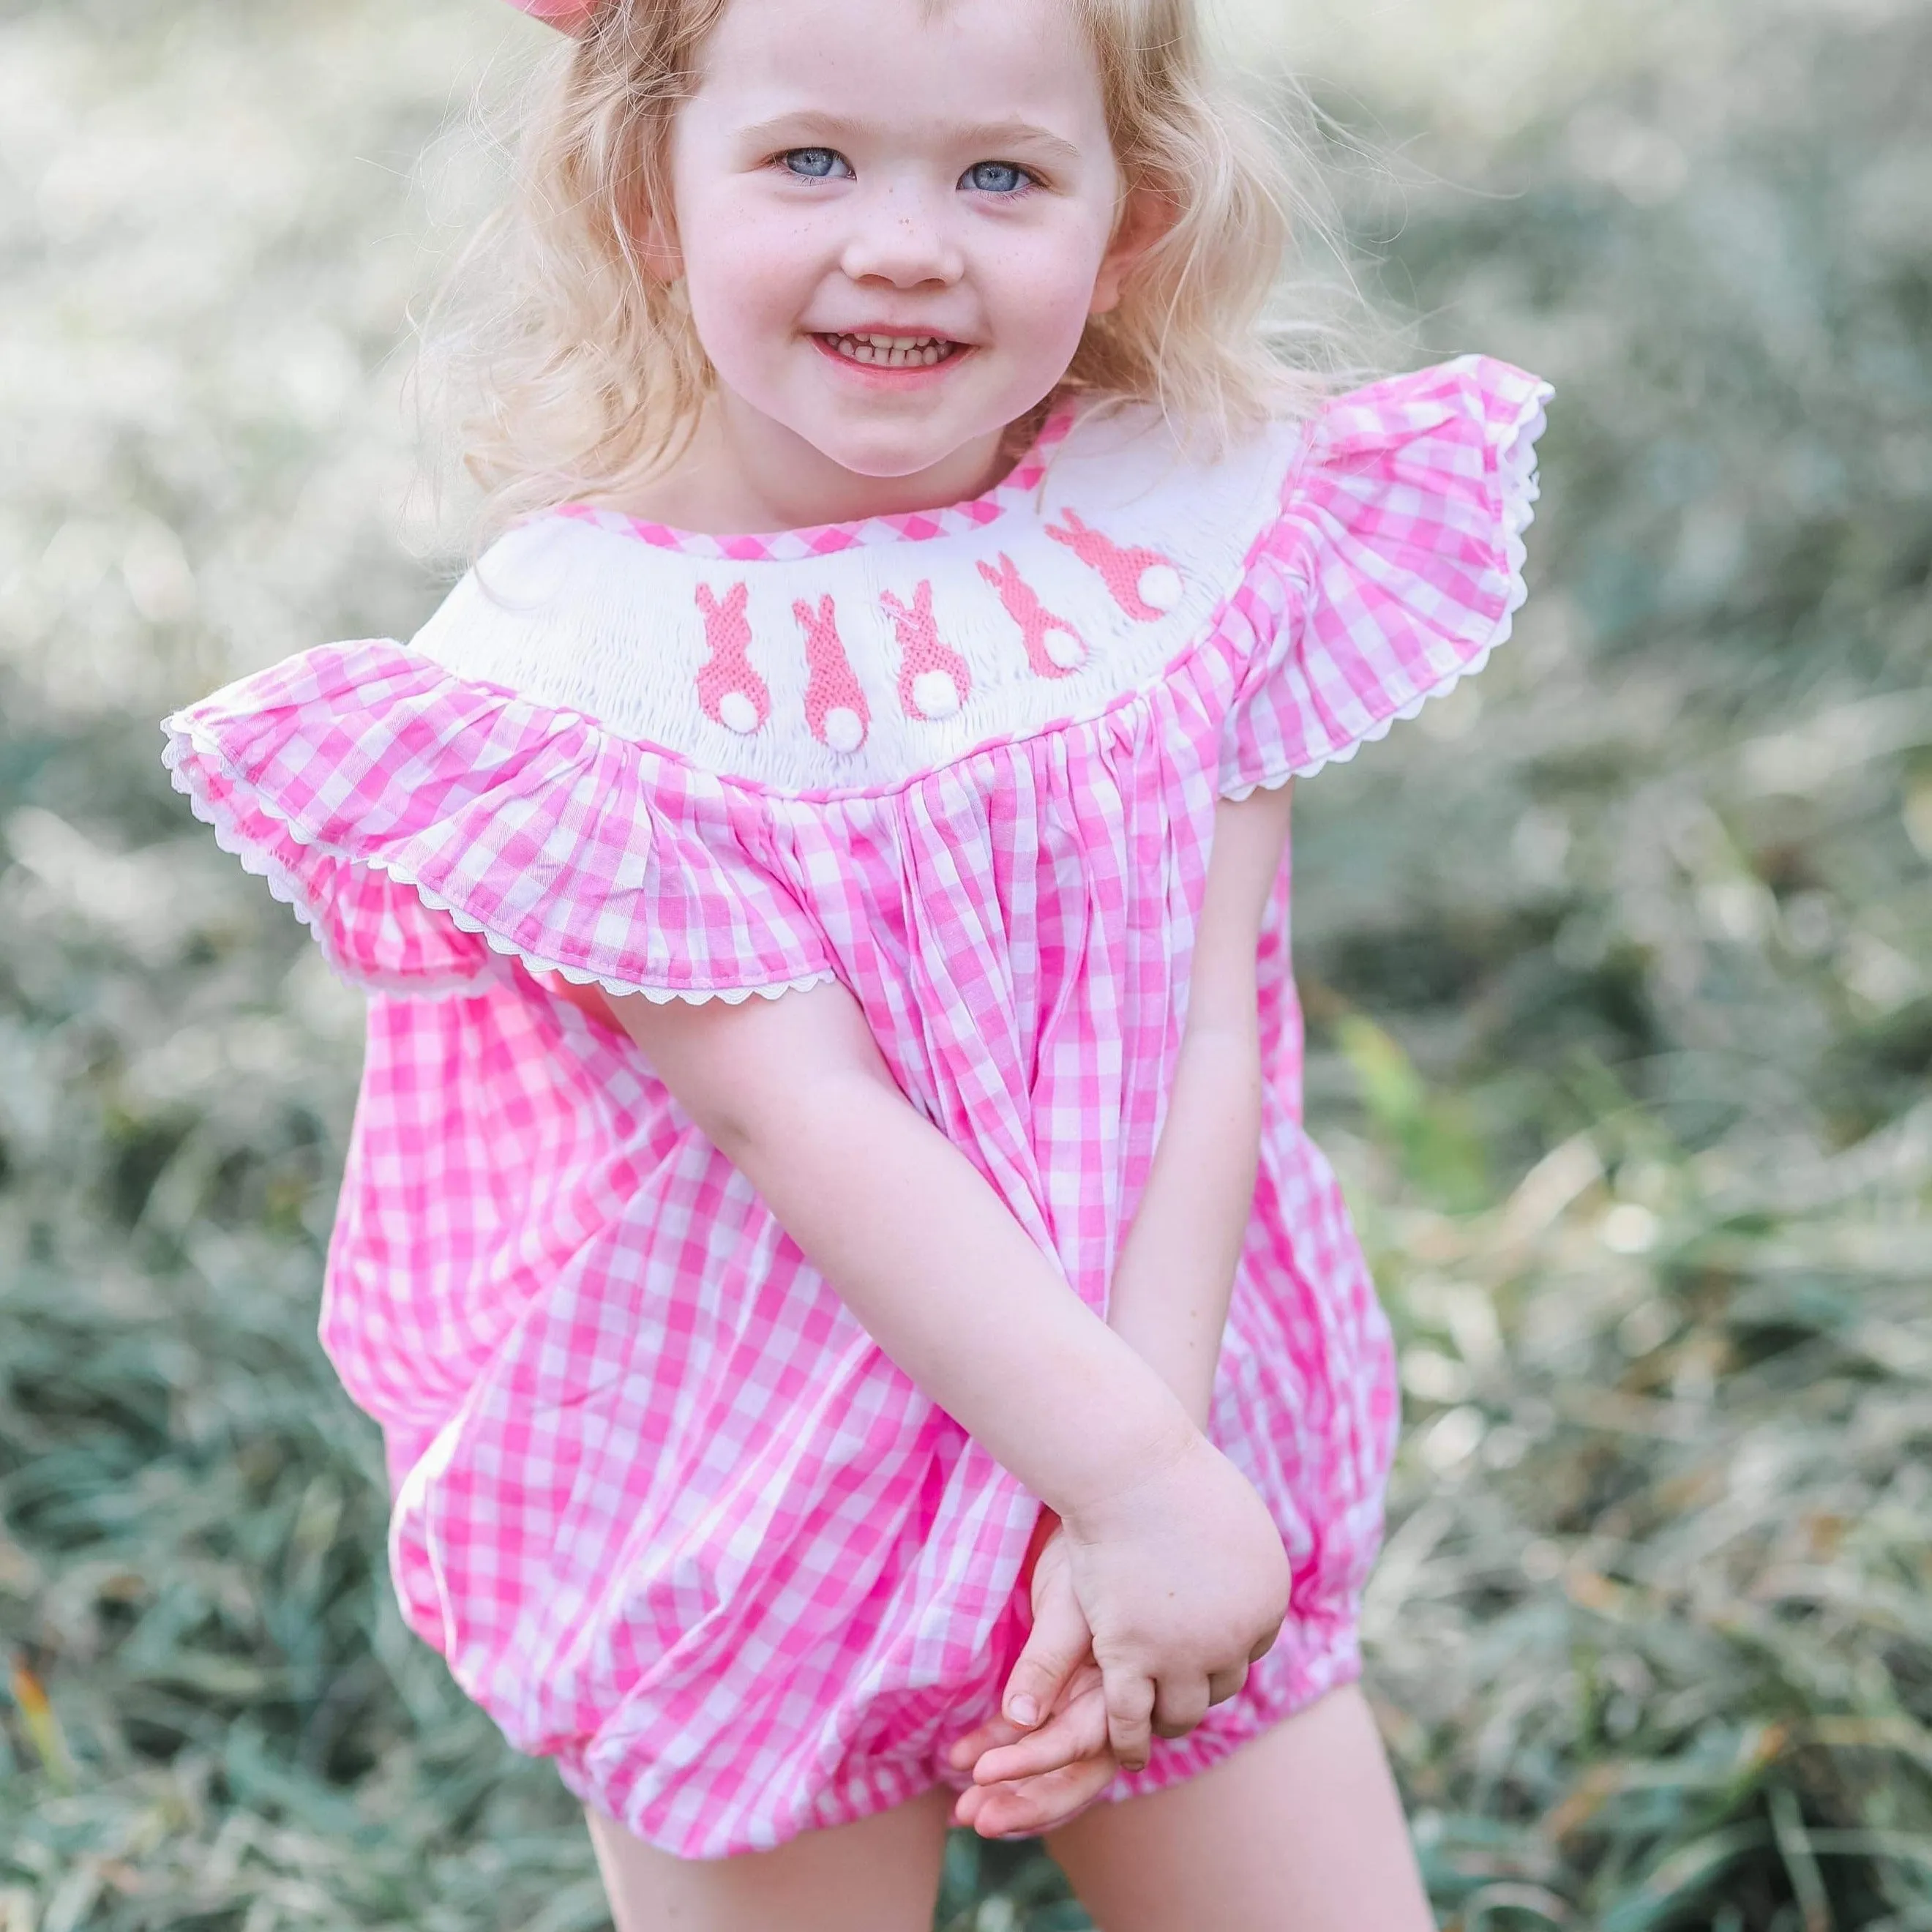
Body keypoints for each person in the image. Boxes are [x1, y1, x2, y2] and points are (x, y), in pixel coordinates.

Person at [162, 0, 1549, 1922]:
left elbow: (1210, 1027)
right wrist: (1132, 1484)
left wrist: (1153, 1495)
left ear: (1129, 216)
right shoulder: (599, 677)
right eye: (812, 159)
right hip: (762, 1490)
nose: (905, 238)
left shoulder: (1188, 527)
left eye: (1002, 172)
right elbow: (795, 1114)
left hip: (1171, 1386)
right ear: (648, 193)